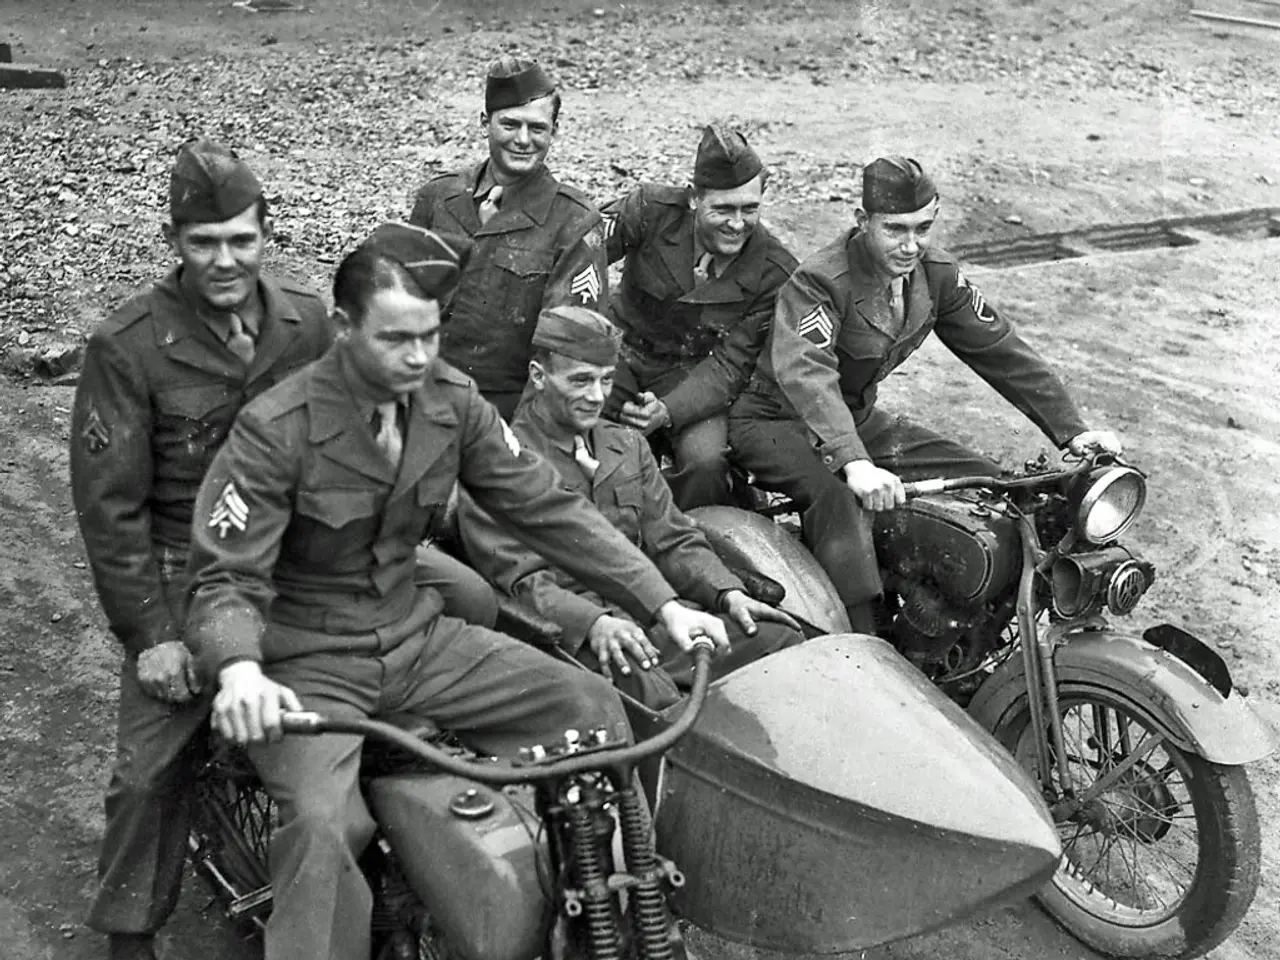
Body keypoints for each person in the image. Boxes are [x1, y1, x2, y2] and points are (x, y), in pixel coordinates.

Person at [181, 222, 730, 960]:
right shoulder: (275, 429)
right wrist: (240, 670)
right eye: (395, 339)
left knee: (592, 712)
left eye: (430, 336)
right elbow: (224, 575)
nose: (418, 357)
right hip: (308, 662)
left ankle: (614, 921)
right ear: (343, 329)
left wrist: (664, 602)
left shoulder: (452, 399)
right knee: (324, 828)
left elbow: (545, 506)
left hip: (416, 638)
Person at [68, 139, 334, 960]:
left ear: (266, 235)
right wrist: (150, 636)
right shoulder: (128, 344)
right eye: (204, 242)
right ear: (173, 241)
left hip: (293, 563)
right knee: (149, 773)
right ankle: (130, 934)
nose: (225, 260)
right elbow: (110, 508)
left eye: (241, 240)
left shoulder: (308, 322)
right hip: (185, 575)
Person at [729, 156, 1122, 634]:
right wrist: (854, 461)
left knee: (998, 491)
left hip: (856, 419)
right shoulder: (822, 281)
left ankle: (964, 629)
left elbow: (999, 348)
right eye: (895, 229)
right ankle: (862, 638)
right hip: (776, 422)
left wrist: (1072, 431)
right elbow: (807, 374)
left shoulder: (935, 275)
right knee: (840, 501)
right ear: (862, 221)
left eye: (923, 228)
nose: (911, 245)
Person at [459, 305, 804, 709]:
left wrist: (727, 594)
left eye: (606, 380)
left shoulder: (626, 445)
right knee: (660, 704)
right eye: (581, 380)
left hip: (657, 618)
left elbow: (673, 539)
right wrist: (594, 624)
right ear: (538, 376)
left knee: (781, 642)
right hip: (575, 637)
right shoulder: (500, 463)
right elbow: (522, 583)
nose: (597, 396)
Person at [602, 123, 798, 509]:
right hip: (618, 352)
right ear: (693, 197)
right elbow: (581, 258)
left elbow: (732, 364)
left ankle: (680, 531)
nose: (737, 223)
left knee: (706, 464)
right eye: (722, 209)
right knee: (580, 430)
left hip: (693, 377)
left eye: (749, 209)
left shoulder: (775, 272)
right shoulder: (649, 209)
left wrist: (668, 411)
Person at [408, 56, 608, 419]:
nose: (523, 140)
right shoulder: (438, 198)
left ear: (555, 130)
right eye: (510, 124)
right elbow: (403, 303)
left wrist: (521, 433)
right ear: (484, 123)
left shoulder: (575, 221)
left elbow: (566, 350)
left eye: (538, 128)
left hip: (511, 405)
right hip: (424, 389)